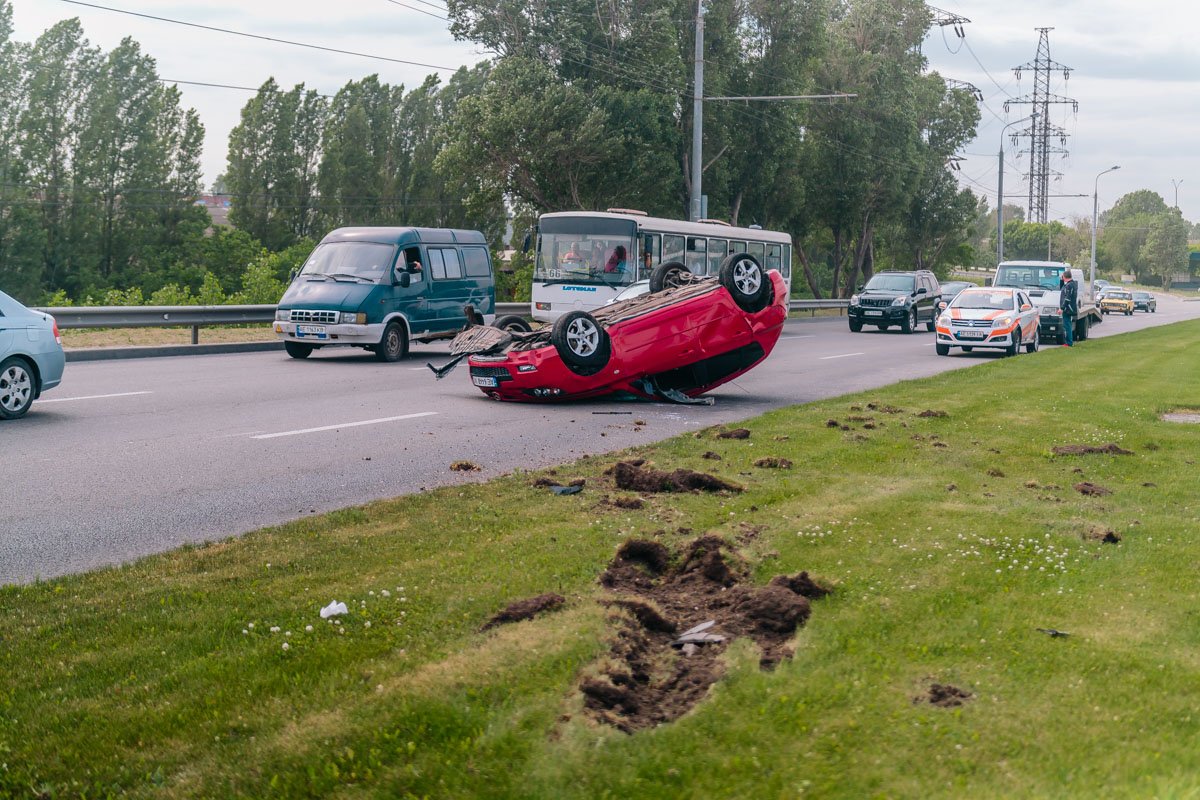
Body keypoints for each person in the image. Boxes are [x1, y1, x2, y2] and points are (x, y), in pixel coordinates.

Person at [1060, 270, 1078, 347]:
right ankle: (1068, 342)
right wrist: (1061, 280)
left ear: (1065, 276)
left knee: (1067, 325)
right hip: (1069, 308)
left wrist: (1062, 308)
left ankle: (1069, 342)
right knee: (1068, 324)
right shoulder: (1071, 284)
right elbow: (1061, 288)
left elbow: (1067, 298)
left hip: (1068, 308)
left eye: (1062, 277)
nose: (1062, 278)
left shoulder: (1069, 285)